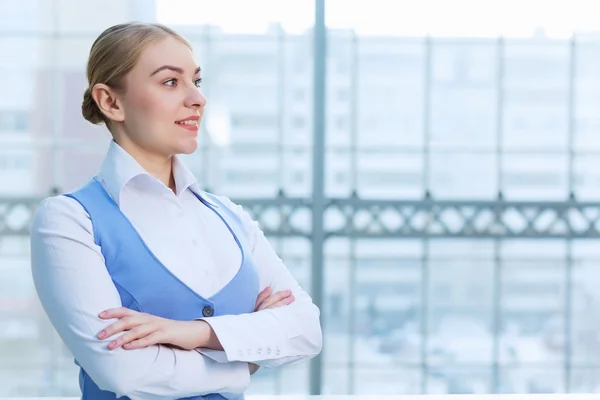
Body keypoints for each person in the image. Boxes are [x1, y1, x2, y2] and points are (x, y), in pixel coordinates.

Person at [29, 22, 322, 400]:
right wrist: (247, 360)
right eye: (170, 82)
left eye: (196, 82)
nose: (197, 99)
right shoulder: (69, 221)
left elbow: (305, 331)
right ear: (111, 102)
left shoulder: (229, 217)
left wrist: (195, 333)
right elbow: (125, 373)